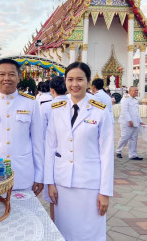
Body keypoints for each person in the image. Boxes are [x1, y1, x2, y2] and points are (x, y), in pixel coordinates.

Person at [45, 62, 114, 241]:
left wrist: (105, 192)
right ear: (65, 81)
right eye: (70, 79)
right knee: (63, 232)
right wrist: (49, 183)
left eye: (79, 79)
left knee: (90, 233)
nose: (74, 84)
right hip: (62, 184)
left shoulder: (100, 111)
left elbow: (106, 154)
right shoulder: (56, 108)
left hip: (90, 185)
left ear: (88, 81)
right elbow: (50, 147)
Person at [0, 58, 44, 195]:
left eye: (11, 74)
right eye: (2, 74)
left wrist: (40, 175)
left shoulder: (30, 103)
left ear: (19, 78)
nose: (6, 78)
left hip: (23, 173)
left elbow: (38, 142)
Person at [40, 76, 67, 221]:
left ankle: (54, 222)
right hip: (66, 154)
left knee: (52, 196)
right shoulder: (71, 103)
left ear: (52, 90)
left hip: (50, 152)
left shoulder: (46, 106)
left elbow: (41, 132)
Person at [116, 86, 145, 160]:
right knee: (125, 137)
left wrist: (140, 121)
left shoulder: (135, 100)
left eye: (137, 90)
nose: (136, 92)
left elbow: (136, 113)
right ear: (130, 91)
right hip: (126, 122)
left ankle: (133, 154)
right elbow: (125, 111)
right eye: (135, 90)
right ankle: (118, 151)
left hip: (135, 122)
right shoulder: (125, 99)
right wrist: (129, 120)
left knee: (134, 139)